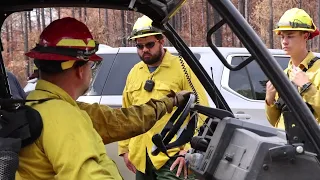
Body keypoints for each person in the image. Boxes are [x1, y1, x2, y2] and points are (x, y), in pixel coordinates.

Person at [17, 17, 190, 180]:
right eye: (91, 64)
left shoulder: (44, 104)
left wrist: (170, 101)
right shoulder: (63, 117)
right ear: (80, 69)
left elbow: (121, 120)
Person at [118, 15, 209, 180]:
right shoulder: (134, 72)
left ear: (161, 41)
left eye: (149, 44)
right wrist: (124, 149)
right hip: (142, 157)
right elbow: (126, 113)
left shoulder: (182, 68)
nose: (144, 50)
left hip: (172, 156)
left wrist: (189, 150)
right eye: (139, 46)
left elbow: (201, 110)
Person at [265, 8, 320, 129]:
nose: (284, 42)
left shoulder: (318, 70)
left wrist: (307, 87)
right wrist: (269, 100)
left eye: (290, 36)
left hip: (310, 146)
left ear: (305, 36)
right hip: (284, 144)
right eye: (282, 37)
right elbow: (274, 122)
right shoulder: (284, 74)